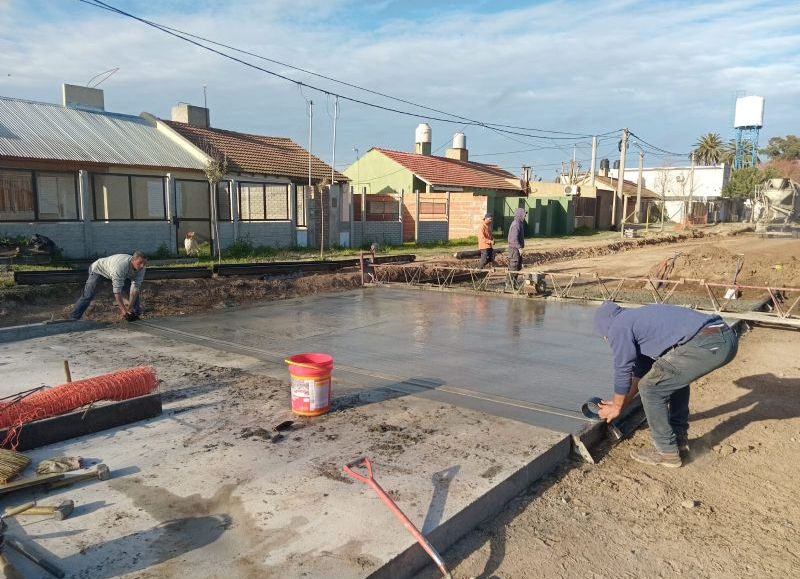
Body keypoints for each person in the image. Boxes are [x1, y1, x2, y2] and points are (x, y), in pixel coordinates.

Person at [593, 301, 738, 468]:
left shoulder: (618, 327)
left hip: (709, 342)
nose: (606, 339)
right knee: (671, 380)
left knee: (651, 388)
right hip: (723, 336)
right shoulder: (634, 320)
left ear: (605, 327)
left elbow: (622, 368)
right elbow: (639, 374)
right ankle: (678, 442)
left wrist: (617, 406)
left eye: (603, 335)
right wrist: (621, 403)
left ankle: (667, 452)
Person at [71, 252, 148, 321]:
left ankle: (135, 314)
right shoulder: (121, 266)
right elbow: (117, 291)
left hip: (118, 273)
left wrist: (130, 307)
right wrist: (123, 310)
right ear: (133, 260)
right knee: (89, 295)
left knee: (134, 292)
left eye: (144, 263)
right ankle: (74, 318)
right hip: (99, 270)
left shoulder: (142, 268)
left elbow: (134, 289)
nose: (142, 266)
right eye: (140, 263)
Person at [506, 207, 526, 288]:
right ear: (520, 214)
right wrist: (519, 248)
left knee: (517, 266)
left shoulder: (519, 223)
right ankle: (509, 284)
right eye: (524, 214)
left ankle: (512, 284)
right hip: (514, 249)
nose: (525, 216)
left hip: (516, 249)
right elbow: (513, 239)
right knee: (513, 266)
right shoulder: (516, 224)